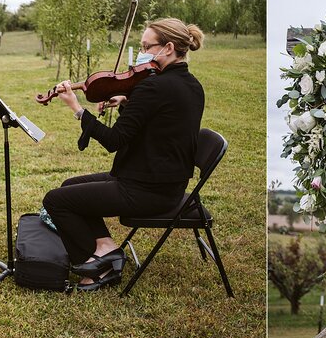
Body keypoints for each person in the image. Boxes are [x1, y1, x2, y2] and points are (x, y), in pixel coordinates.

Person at [43, 18, 206, 291]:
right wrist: (128, 100)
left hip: (145, 190)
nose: (140, 54)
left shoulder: (152, 87)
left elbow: (113, 140)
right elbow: (162, 120)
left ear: (167, 48)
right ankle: (106, 247)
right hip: (167, 185)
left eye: (145, 46)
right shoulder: (191, 85)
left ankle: (97, 267)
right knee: (69, 187)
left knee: (56, 200)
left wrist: (77, 109)